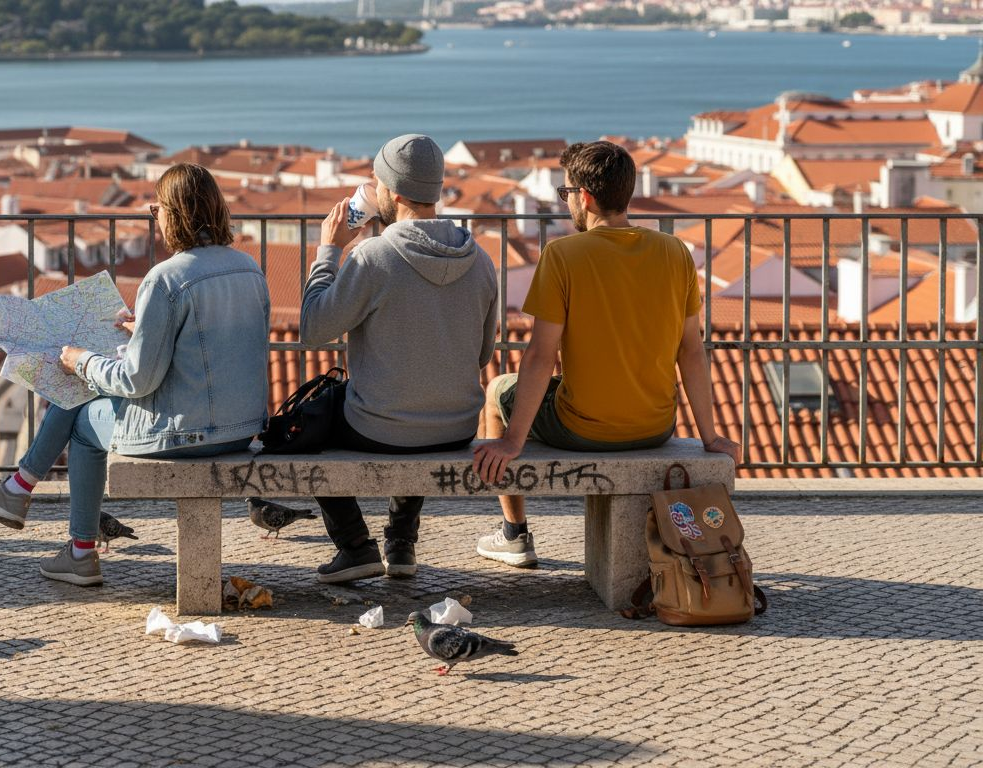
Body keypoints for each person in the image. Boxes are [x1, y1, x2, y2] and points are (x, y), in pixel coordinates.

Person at [0, 163, 271, 586]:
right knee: (86, 396)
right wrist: (143, 326)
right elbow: (211, 346)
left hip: (189, 433)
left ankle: (67, 538)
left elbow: (137, 381)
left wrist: (80, 359)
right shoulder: (249, 269)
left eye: (156, 209)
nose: (154, 218)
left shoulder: (166, 279)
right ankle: (21, 494)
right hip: (241, 428)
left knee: (83, 420)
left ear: (174, 214)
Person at [471, 140, 740, 567]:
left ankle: (514, 536)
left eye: (566, 194)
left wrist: (512, 440)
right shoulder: (675, 253)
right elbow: (692, 351)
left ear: (585, 197)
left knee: (496, 391)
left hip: (583, 428)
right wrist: (709, 437)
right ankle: (513, 534)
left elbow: (541, 355)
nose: (566, 204)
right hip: (657, 425)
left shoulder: (563, 255)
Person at [301, 133, 499, 584]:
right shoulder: (481, 260)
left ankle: (355, 546)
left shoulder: (373, 256)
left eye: (375, 181)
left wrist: (329, 251)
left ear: (390, 193)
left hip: (380, 429)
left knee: (307, 421)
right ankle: (401, 542)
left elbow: (314, 326)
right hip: (456, 426)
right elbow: (484, 353)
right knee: (414, 398)